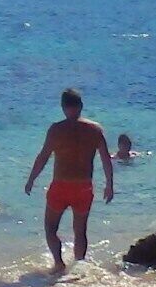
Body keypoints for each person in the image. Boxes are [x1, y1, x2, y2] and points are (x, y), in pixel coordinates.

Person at [23, 88, 114, 271]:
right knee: (80, 231)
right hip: (84, 187)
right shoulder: (95, 130)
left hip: (61, 186)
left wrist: (31, 179)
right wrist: (109, 184)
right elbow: (106, 159)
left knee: (50, 229)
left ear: (63, 107)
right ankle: (79, 269)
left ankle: (59, 264)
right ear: (81, 106)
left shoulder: (56, 130)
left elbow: (43, 156)